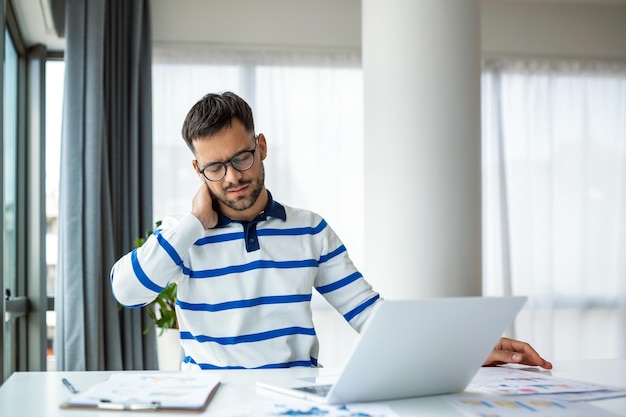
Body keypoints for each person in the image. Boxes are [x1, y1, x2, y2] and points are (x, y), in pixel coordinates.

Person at [111, 91, 552, 371]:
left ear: (261, 146)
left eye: (242, 158)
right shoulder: (181, 236)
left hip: (295, 401)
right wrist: (192, 224)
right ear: (198, 169)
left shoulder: (310, 229)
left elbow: (370, 317)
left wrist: (467, 346)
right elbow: (125, 292)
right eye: (215, 167)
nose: (232, 177)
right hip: (213, 402)